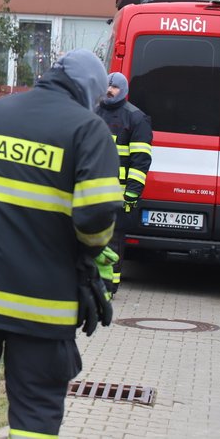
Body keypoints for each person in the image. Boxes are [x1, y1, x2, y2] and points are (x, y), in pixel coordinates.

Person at [0, 49, 122, 438]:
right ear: (90, 91)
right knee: (36, 405)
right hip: (42, 301)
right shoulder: (88, 129)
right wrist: (89, 251)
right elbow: (97, 215)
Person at [96, 71, 153, 294]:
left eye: (114, 87)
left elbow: (141, 162)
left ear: (124, 91)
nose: (109, 91)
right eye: (107, 86)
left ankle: (111, 283)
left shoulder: (136, 119)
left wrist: (131, 194)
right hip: (91, 189)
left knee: (114, 239)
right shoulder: (93, 112)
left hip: (118, 194)